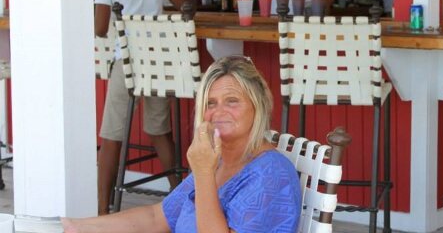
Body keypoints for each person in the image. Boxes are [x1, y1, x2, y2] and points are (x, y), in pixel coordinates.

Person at [62, 56, 302, 233]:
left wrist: (203, 173)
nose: (219, 112)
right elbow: (157, 217)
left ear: (257, 105)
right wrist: (77, 226)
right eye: (210, 103)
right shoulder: (218, 160)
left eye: (232, 101)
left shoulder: (271, 173)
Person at [94, 0, 193, 215]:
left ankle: (102, 209)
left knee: (112, 136)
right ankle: (180, 202)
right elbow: (187, 7)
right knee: (160, 132)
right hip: (157, 64)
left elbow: (99, 29)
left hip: (125, 64)